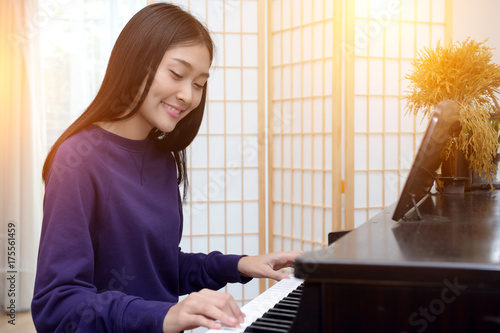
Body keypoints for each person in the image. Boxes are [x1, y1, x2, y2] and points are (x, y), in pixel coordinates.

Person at [31, 3, 302, 332]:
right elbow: (58, 305)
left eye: (200, 84)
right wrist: (165, 315)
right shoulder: (76, 159)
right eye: (177, 74)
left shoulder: (162, 159)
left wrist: (242, 265)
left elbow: (158, 266)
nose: (188, 95)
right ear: (135, 63)